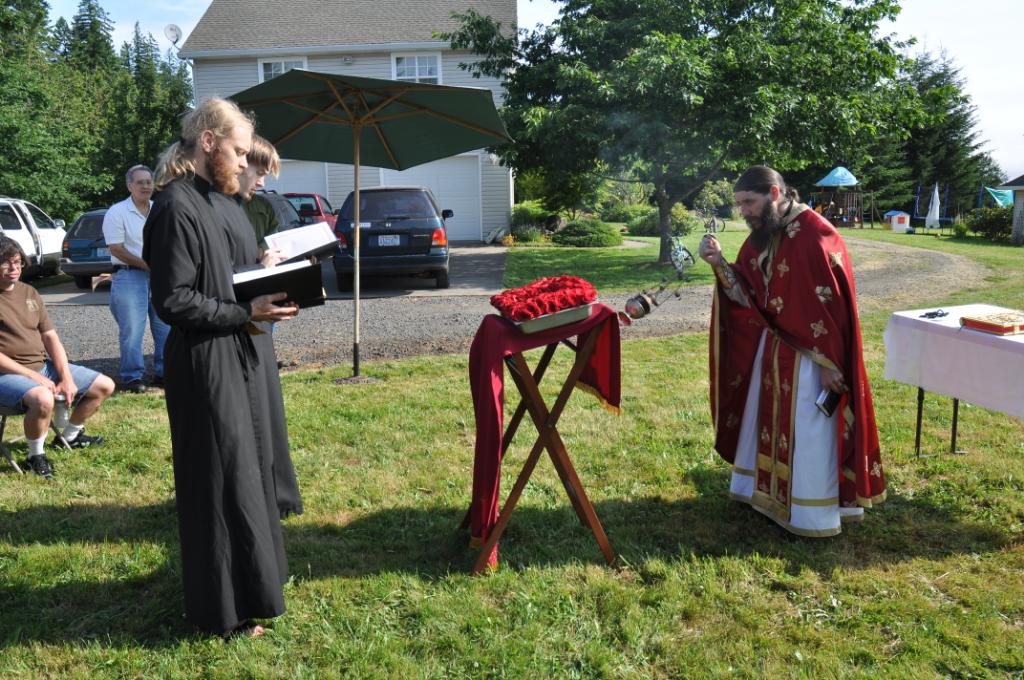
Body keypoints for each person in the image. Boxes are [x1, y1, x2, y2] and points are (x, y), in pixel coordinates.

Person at [143, 97, 299, 637]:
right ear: (207, 142)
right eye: (238, 151)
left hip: (241, 351)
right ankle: (222, 612)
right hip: (205, 362)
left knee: (249, 473)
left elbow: (231, 275)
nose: (244, 162)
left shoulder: (223, 201)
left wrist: (273, 283)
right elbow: (174, 300)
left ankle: (259, 587)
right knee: (219, 481)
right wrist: (245, 311)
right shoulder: (175, 206)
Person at [699, 165, 885, 537]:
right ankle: (764, 496)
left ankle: (808, 513)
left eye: (749, 202)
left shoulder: (816, 234)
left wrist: (832, 364)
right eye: (740, 204)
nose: (744, 212)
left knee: (808, 432)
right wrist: (718, 263)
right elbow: (748, 296)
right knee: (764, 420)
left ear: (774, 193)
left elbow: (833, 309)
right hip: (772, 351)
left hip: (812, 361)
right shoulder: (762, 235)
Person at [210, 134, 304, 519]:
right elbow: (219, 279)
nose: (262, 180)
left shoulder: (247, 206)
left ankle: (274, 493)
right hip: (233, 326)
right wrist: (260, 271)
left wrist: (267, 263)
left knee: (267, 416)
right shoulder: (212, 208)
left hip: (253, 324)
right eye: (258, 170)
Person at [0, 237, 114, 478]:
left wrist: (65, 377)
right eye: (6, 263)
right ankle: (35, 457)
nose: (14, 268)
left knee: (104, 385)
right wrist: (34, 378)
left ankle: (70, 436)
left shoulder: (29, 292)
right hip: (6, 375)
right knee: (42, 398)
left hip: (41, 366)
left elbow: (50, 336)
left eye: (18, 262)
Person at [102, 164, 171, 393]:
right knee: (132, 330)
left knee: (166, 326)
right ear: (129, 185)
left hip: (160, 276)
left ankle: (164, 372)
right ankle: (132, 377)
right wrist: (148, 265)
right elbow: (116, 248)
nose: (146, 186)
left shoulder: (160, 209)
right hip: (129, 275)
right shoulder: (117, 212)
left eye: (149, 182)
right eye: (140, 182)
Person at [238, 135, 282, 251]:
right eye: (259, 173)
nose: (262, 184)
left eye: (264, 176)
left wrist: (262, 250)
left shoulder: (264, 206)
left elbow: (273, 236)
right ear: (241, 163)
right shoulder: (215, 205)